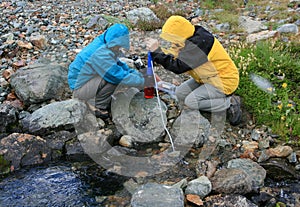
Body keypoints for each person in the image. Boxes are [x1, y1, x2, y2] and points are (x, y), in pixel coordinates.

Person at [146, 15, 242, 126]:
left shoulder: (199, 45)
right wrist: (157, 53)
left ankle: (229, 103)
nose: (171, 41)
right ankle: (210, 97)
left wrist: (157, 52)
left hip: (223, 80)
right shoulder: (188, 36)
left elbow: (178, 66)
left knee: (191, 102)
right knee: (179, 93)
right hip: (204, 78)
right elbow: (174, 54)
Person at [68, 23, 144, 119]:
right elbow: (117, 76)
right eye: (118, 45)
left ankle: (92, 98)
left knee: (114, 75)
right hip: (78, 88)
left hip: (85, 79)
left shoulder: (104, 42)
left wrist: (137, 75)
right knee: (112, 80)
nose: (119, 48)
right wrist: (143, 81)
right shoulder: (100, 53)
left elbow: (118, 64)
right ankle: (98, 106)